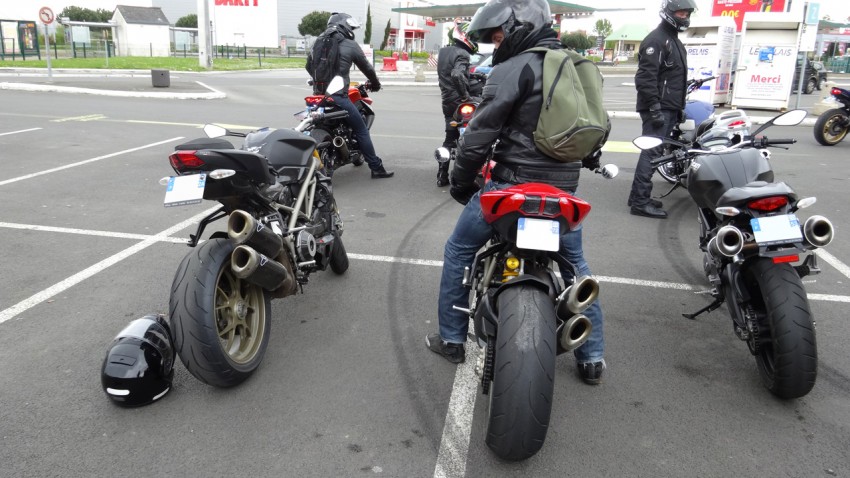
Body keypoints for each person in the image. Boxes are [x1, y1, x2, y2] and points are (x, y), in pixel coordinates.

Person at [424, 0, 610, 385]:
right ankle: (592, 356)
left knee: (459, 249)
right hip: (564, 190)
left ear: (517, 26)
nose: (496, 44)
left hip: (512, 184)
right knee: (576, 266)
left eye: (497, 36)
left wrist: (461, 182)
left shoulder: (514, 67)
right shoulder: (580, 67)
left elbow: (478, 135)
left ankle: (452, 339)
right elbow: (597, 127)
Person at [629, 0, 696, 218]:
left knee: (653, 152)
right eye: (680, 12)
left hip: (668, 107)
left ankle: (637, 196)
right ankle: (640, 202)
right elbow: (645, 78)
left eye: (687, 13)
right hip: (657, 108)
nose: (684, 16)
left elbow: (675, 79)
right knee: (652, 153)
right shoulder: (656, 40)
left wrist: (679, 107)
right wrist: (655, 108)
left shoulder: (673, 40)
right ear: (668, 12)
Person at [306, 12, 394, 179]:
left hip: (318, 96)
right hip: (338, 96)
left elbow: (308, 66)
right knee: (361, 129)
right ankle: (376, 168)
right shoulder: (349, 44)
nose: (352, 30)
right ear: (345, 26)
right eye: (351, 27)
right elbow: (367, 68)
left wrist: (321, 81)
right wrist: (375, 84)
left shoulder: (317, 42)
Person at [435, 22, 479, 187]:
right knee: (477, 132)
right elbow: (456, 74)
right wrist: (465, 96)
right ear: (465, 36)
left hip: (447, 100)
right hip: (459, 101)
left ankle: (442, 174)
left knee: (449, 138)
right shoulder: (462, 54)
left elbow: (448, 73)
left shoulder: (444, 51)